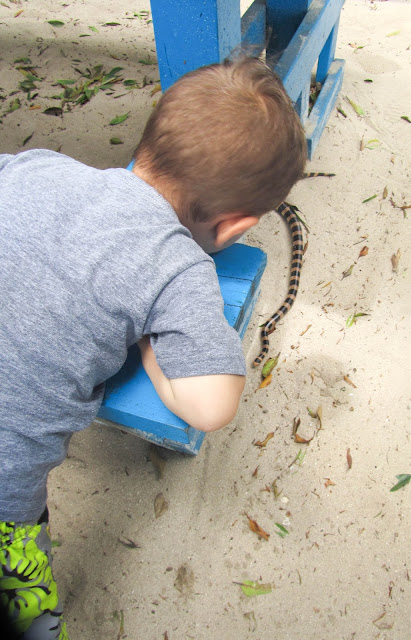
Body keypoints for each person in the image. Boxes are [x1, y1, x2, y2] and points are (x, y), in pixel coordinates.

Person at [0, 56, 306, 638]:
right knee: (23, 600)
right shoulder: (175, 267)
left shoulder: (37, 165)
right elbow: (212, 407)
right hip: (4, 496)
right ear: (234, 228)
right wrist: (150, 350)